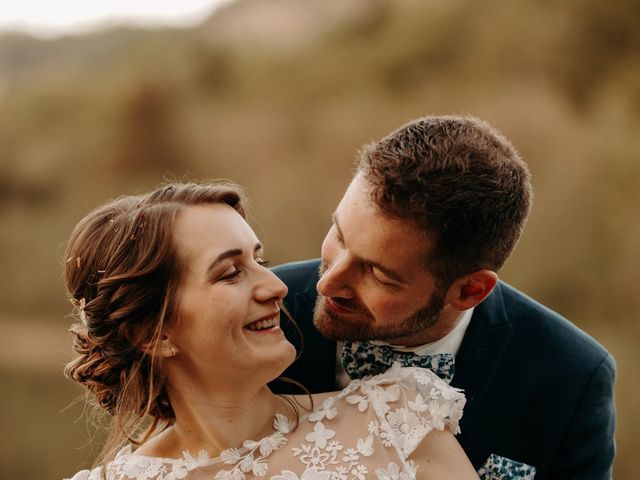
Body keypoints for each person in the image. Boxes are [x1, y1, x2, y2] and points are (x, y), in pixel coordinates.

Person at [272, 115, 616, 480]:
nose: (328, 285)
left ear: (470, 290)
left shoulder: (571, 378)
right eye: (340, 235)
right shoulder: (265, 311)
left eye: (379, 274)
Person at [63, 182, 479, 480]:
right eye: (230, 273)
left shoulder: (396, 420)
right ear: (154, 335)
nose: (277, 286)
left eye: (260, 261)